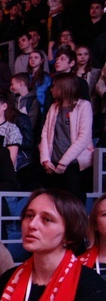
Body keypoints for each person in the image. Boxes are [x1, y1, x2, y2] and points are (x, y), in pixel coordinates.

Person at [39, 73, 93, 203]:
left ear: (64, 88)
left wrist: (64, 162)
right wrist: (45, 160)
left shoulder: (84, 106)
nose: (51, 90)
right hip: (54, 163)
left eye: (54, 86)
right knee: (54, 201)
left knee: (74, 199)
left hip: (74, 164)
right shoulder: (53, 107)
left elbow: (83, 137)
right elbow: (45, 134)